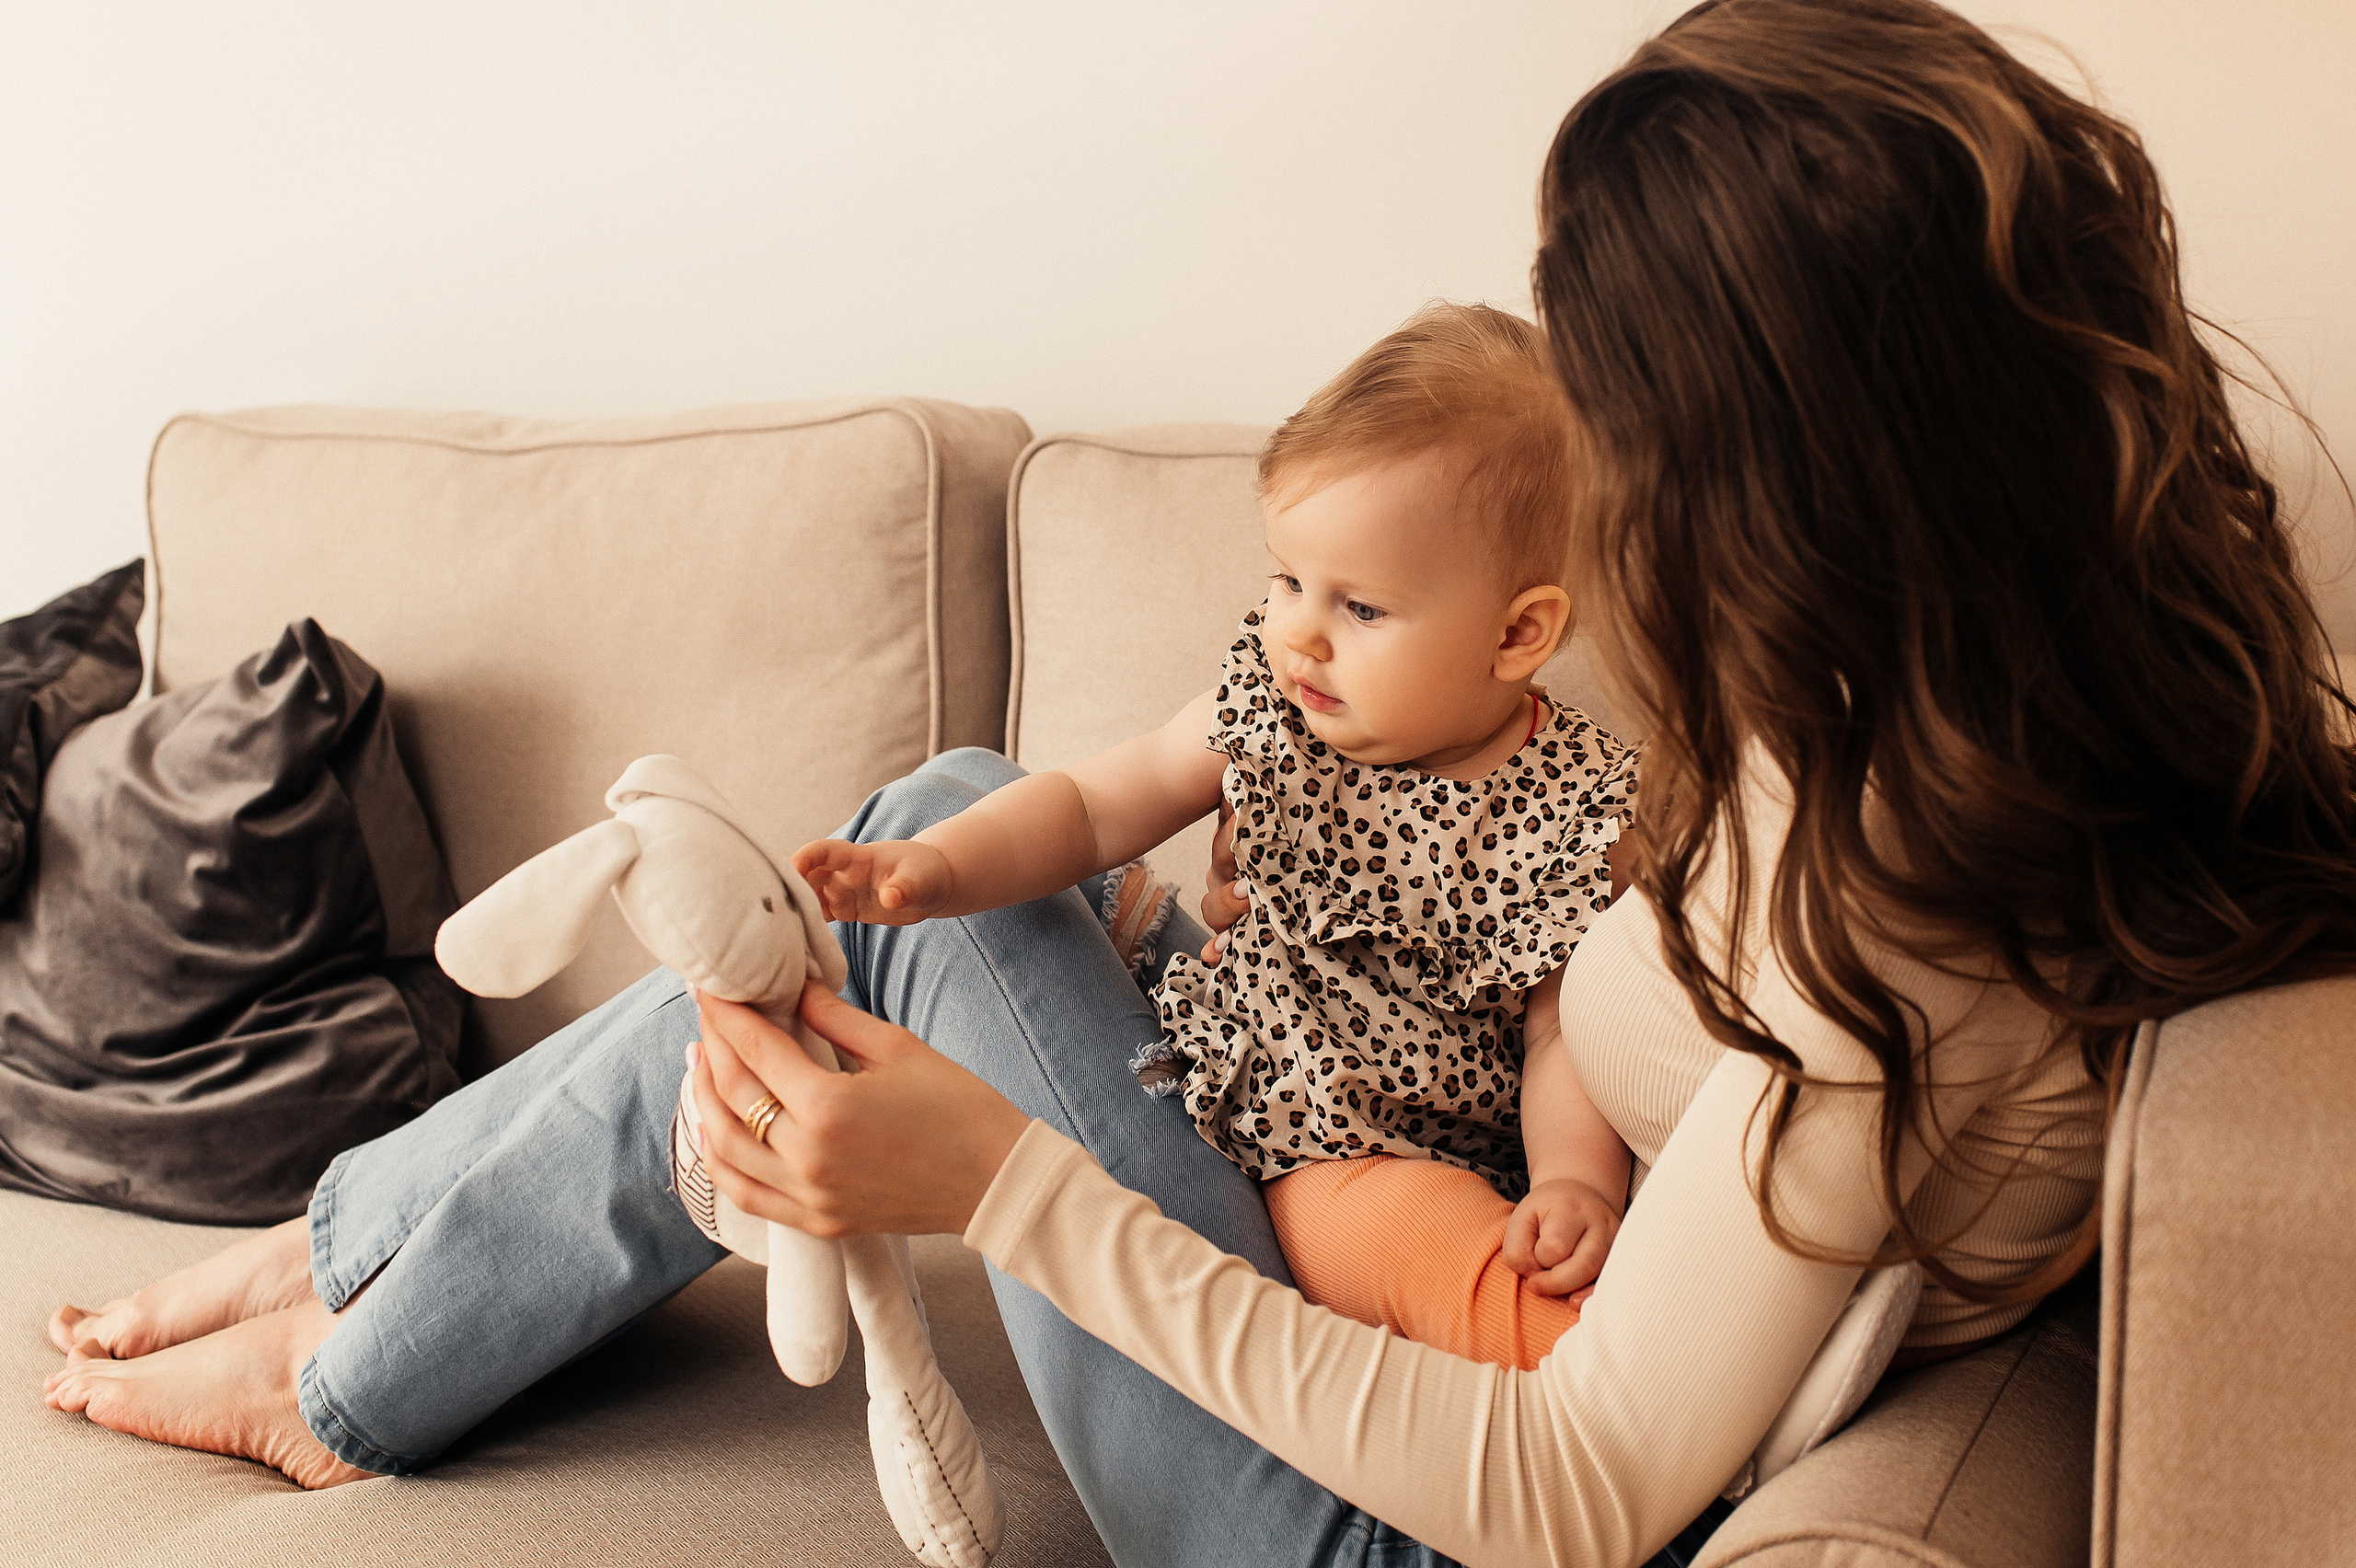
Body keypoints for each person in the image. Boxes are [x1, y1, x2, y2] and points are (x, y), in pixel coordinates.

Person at [44, 1, 2356, 1563]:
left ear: (1790, 445)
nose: (1614, 461)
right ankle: (355, 1264)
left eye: (1627, 393)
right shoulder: (1922, 732)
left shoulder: (1890, 932)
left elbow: (1555, 1491)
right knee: (939, 840)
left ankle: (345, 1370)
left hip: (1349, 1520)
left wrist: (1006, 1176)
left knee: (907, 900)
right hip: (1373, 1286)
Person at [793, 301, 1640, 1373]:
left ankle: (1601, 1379)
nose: (1298, 629)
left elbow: (1567, 1032)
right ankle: (1582, 1369)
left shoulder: (1569, 807)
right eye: (1287, 579)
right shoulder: (1278, 701)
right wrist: (943, 865)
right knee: (965, 807)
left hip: (1388, 1147)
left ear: (1518, 632)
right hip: (1250, 1076)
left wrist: (1575, 1182)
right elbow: (1103, 803)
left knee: (1406, 1232)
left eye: (1361, 609)